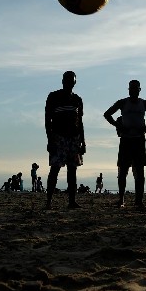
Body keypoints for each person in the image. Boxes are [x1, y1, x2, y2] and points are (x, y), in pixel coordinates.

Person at [104, 79, 146, 209]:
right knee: (123, 170)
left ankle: (139, 201)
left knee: (139, 171)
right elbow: (107, 114)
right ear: (128, 89)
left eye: (136, 88)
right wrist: (118, 125)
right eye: (131, 88)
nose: (133, 90)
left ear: (139, 90)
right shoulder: (122, 102)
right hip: (126, 139)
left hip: (139, 140)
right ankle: (121, 200)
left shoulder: (144, 103)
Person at [45, 71, 85, 209]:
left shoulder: (77, 99)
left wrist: (83, 142)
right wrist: (50, 139)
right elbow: (47, 120)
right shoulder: (53, 97)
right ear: (62, 81)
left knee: (72, 170)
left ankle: (72, 201)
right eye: (66, 80)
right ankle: (48, 201)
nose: (69, 83)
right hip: (58, 137)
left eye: (71, 81)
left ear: (74, 82)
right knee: (55, 169)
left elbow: (80, 122)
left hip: (74, 138)